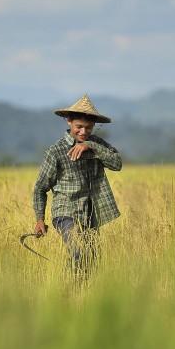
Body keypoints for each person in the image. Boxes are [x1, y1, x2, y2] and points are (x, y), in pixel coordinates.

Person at [32, 94, 122, 276]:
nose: (83, 132)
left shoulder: (97, 144)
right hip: (66, 212)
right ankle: (69, 290)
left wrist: (90, 146)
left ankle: (75, 294)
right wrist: (40, 219)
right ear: (68, 121)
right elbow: (40, 188)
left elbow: (117, 164)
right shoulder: (55, 151)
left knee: (91, 260)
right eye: (79, 127)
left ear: (94, 126)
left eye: (88, 128)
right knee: (78, 250)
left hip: (91, 213)